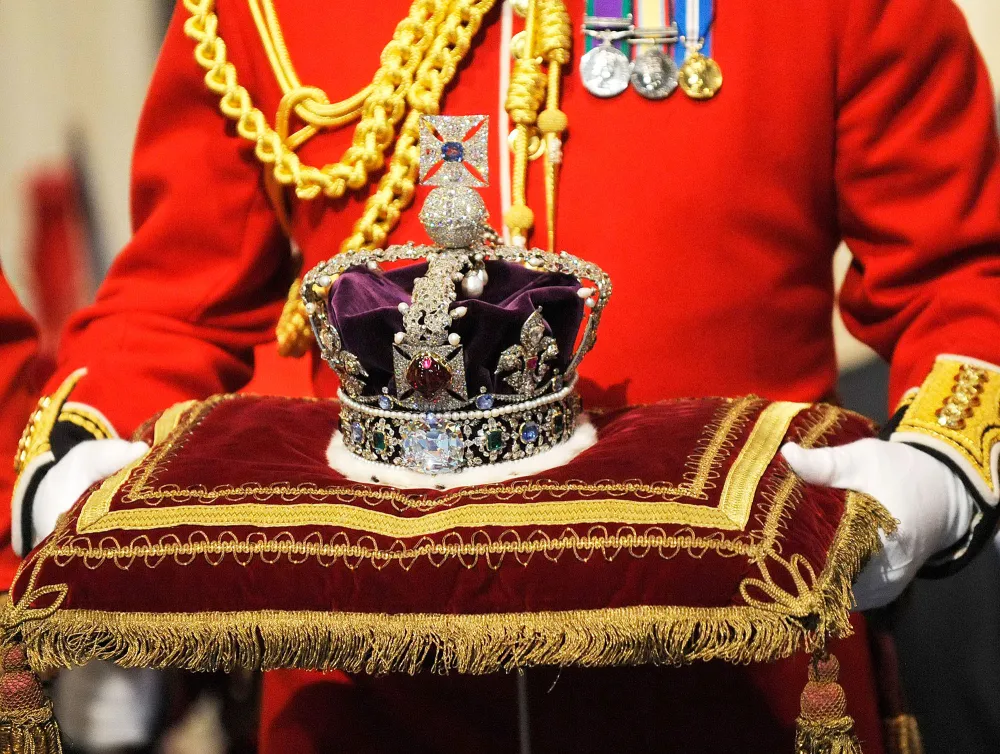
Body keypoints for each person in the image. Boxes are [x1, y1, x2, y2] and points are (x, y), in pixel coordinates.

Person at [11, 0, 1000, 751]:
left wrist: (936, 477)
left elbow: (960, 277)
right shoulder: (262, 17)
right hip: (367, 695)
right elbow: (175, 301)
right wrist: (69, 469)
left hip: (733, 680)